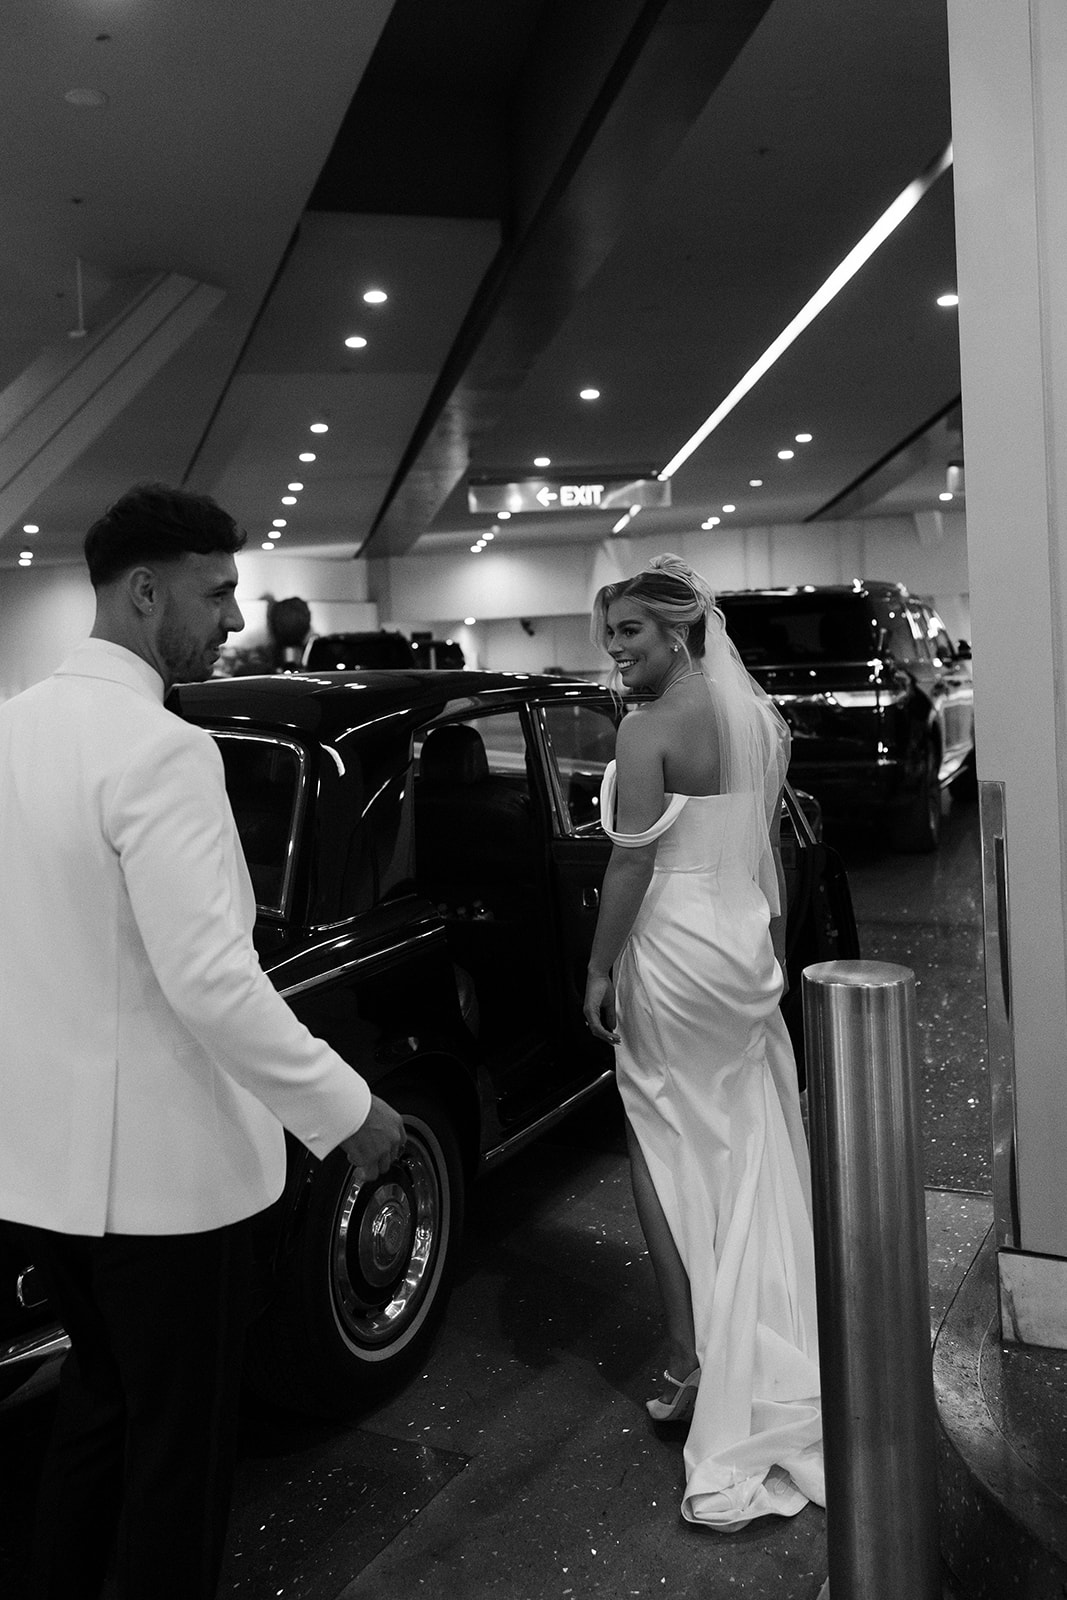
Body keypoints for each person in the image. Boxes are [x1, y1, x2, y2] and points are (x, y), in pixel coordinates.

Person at [0, 483, 406, 1599]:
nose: (234, 616)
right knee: (179, 1455)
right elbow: (214, 980)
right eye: (216, 590)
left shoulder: (11, 728)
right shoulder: (161, 749)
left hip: (47, 1175)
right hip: (169, 1187)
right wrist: (346, 1109)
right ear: (144, 592)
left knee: (102, 1409)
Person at [583, 553, 823, 1531]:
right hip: (740, 950)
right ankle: (769, 1342)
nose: (614, 654)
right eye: (608, 636)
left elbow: (630, 866)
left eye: (629, 633)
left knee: (659, 1138)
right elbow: (770, 844)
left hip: (673, 952)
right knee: (748, 1142)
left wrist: (597, 970)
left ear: (678, 631)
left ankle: (690, 1360)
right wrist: (765, 938)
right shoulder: (755, 721)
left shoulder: (647, 730)